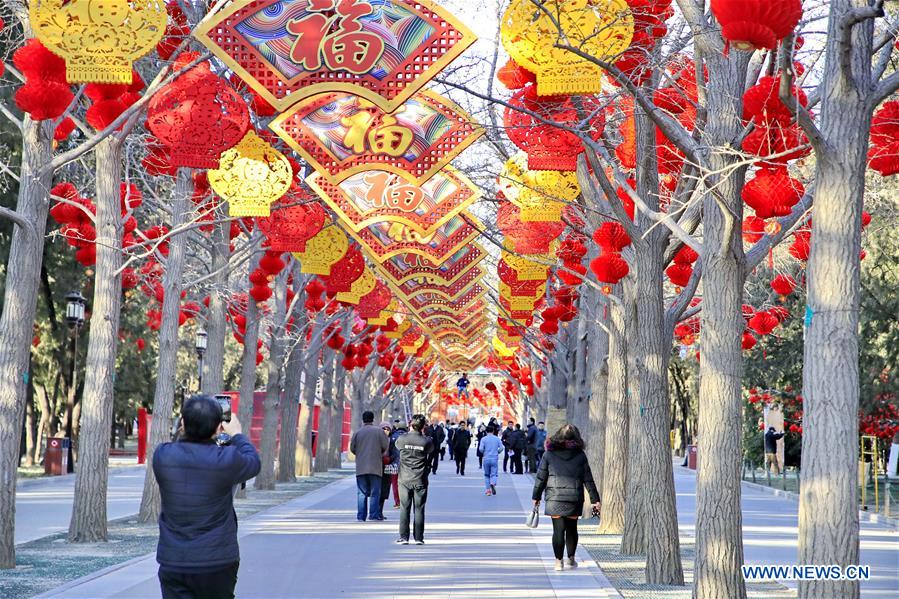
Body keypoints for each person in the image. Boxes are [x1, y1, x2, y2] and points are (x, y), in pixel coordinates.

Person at [153, 395, 261, 599]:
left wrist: (188, 426)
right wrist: (236, 434)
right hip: (217, 560)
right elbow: (253, 462)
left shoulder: (162, 456)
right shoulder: (226, 460)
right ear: (219, 427)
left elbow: (179, 445)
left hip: (174, 559)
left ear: (182, 423)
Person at [532, 424, 600, 572]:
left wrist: (536, 496)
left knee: (558, 531)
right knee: (572, 529)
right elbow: (588, 479)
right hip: (574, 498)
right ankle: (571, 559)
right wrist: (595, 500)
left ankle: (558, 562)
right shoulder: (580, 455)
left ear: (558, 436)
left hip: (555, 497)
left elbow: (541, 478)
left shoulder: (548, 454)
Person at [395, 414, 434, 545]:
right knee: (419, 508)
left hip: (404, 479)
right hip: (420, 478)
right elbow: (431, 452)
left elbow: (397, 447)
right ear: (423, 427)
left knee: (404, 508)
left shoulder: (402, 439)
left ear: (411, 425)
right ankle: (418, 538)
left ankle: (404, 537)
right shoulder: (426, 441)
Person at [349, 410, 389, 522]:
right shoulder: (379, 432)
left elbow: (352, 448)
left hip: (361, 467)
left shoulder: (357, 433)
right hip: (376, 466)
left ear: (363, 419)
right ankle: (373, 515)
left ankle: (361, 516)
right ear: (373, 419)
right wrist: (379, 453)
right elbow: (385, 446)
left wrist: (361, 454)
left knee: (361, 493)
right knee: (375, 492)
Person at [379, 422, 399, 517]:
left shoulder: (392, 440)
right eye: (384, 428)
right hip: (378, 467)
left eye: (388, 429)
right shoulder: (377, 439)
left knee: (385, 490)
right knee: (377, 491)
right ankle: (375, 512)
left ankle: (380, 512)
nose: (386, 431)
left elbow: (395, 454)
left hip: (388, 467)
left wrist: (390, 459)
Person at [388, 421, 408, 509]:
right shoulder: (408, 437)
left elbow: (389, 450)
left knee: (395, 483)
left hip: (394, 463)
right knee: (405, 484)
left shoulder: (393, 436)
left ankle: (397, 502)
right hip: (406, 464)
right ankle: (405, 501)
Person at [480, 425, 504, 495]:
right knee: (494, 474)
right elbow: (501, 448)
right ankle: (493, 483)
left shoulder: (483, 439)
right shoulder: (497, 439)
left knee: (487, 475)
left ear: (486, 431)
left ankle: (488, 491)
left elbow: (481, 449)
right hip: (494, 458)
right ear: (493, 431)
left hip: (486, 458)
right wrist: (498, 452)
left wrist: (484, 452)